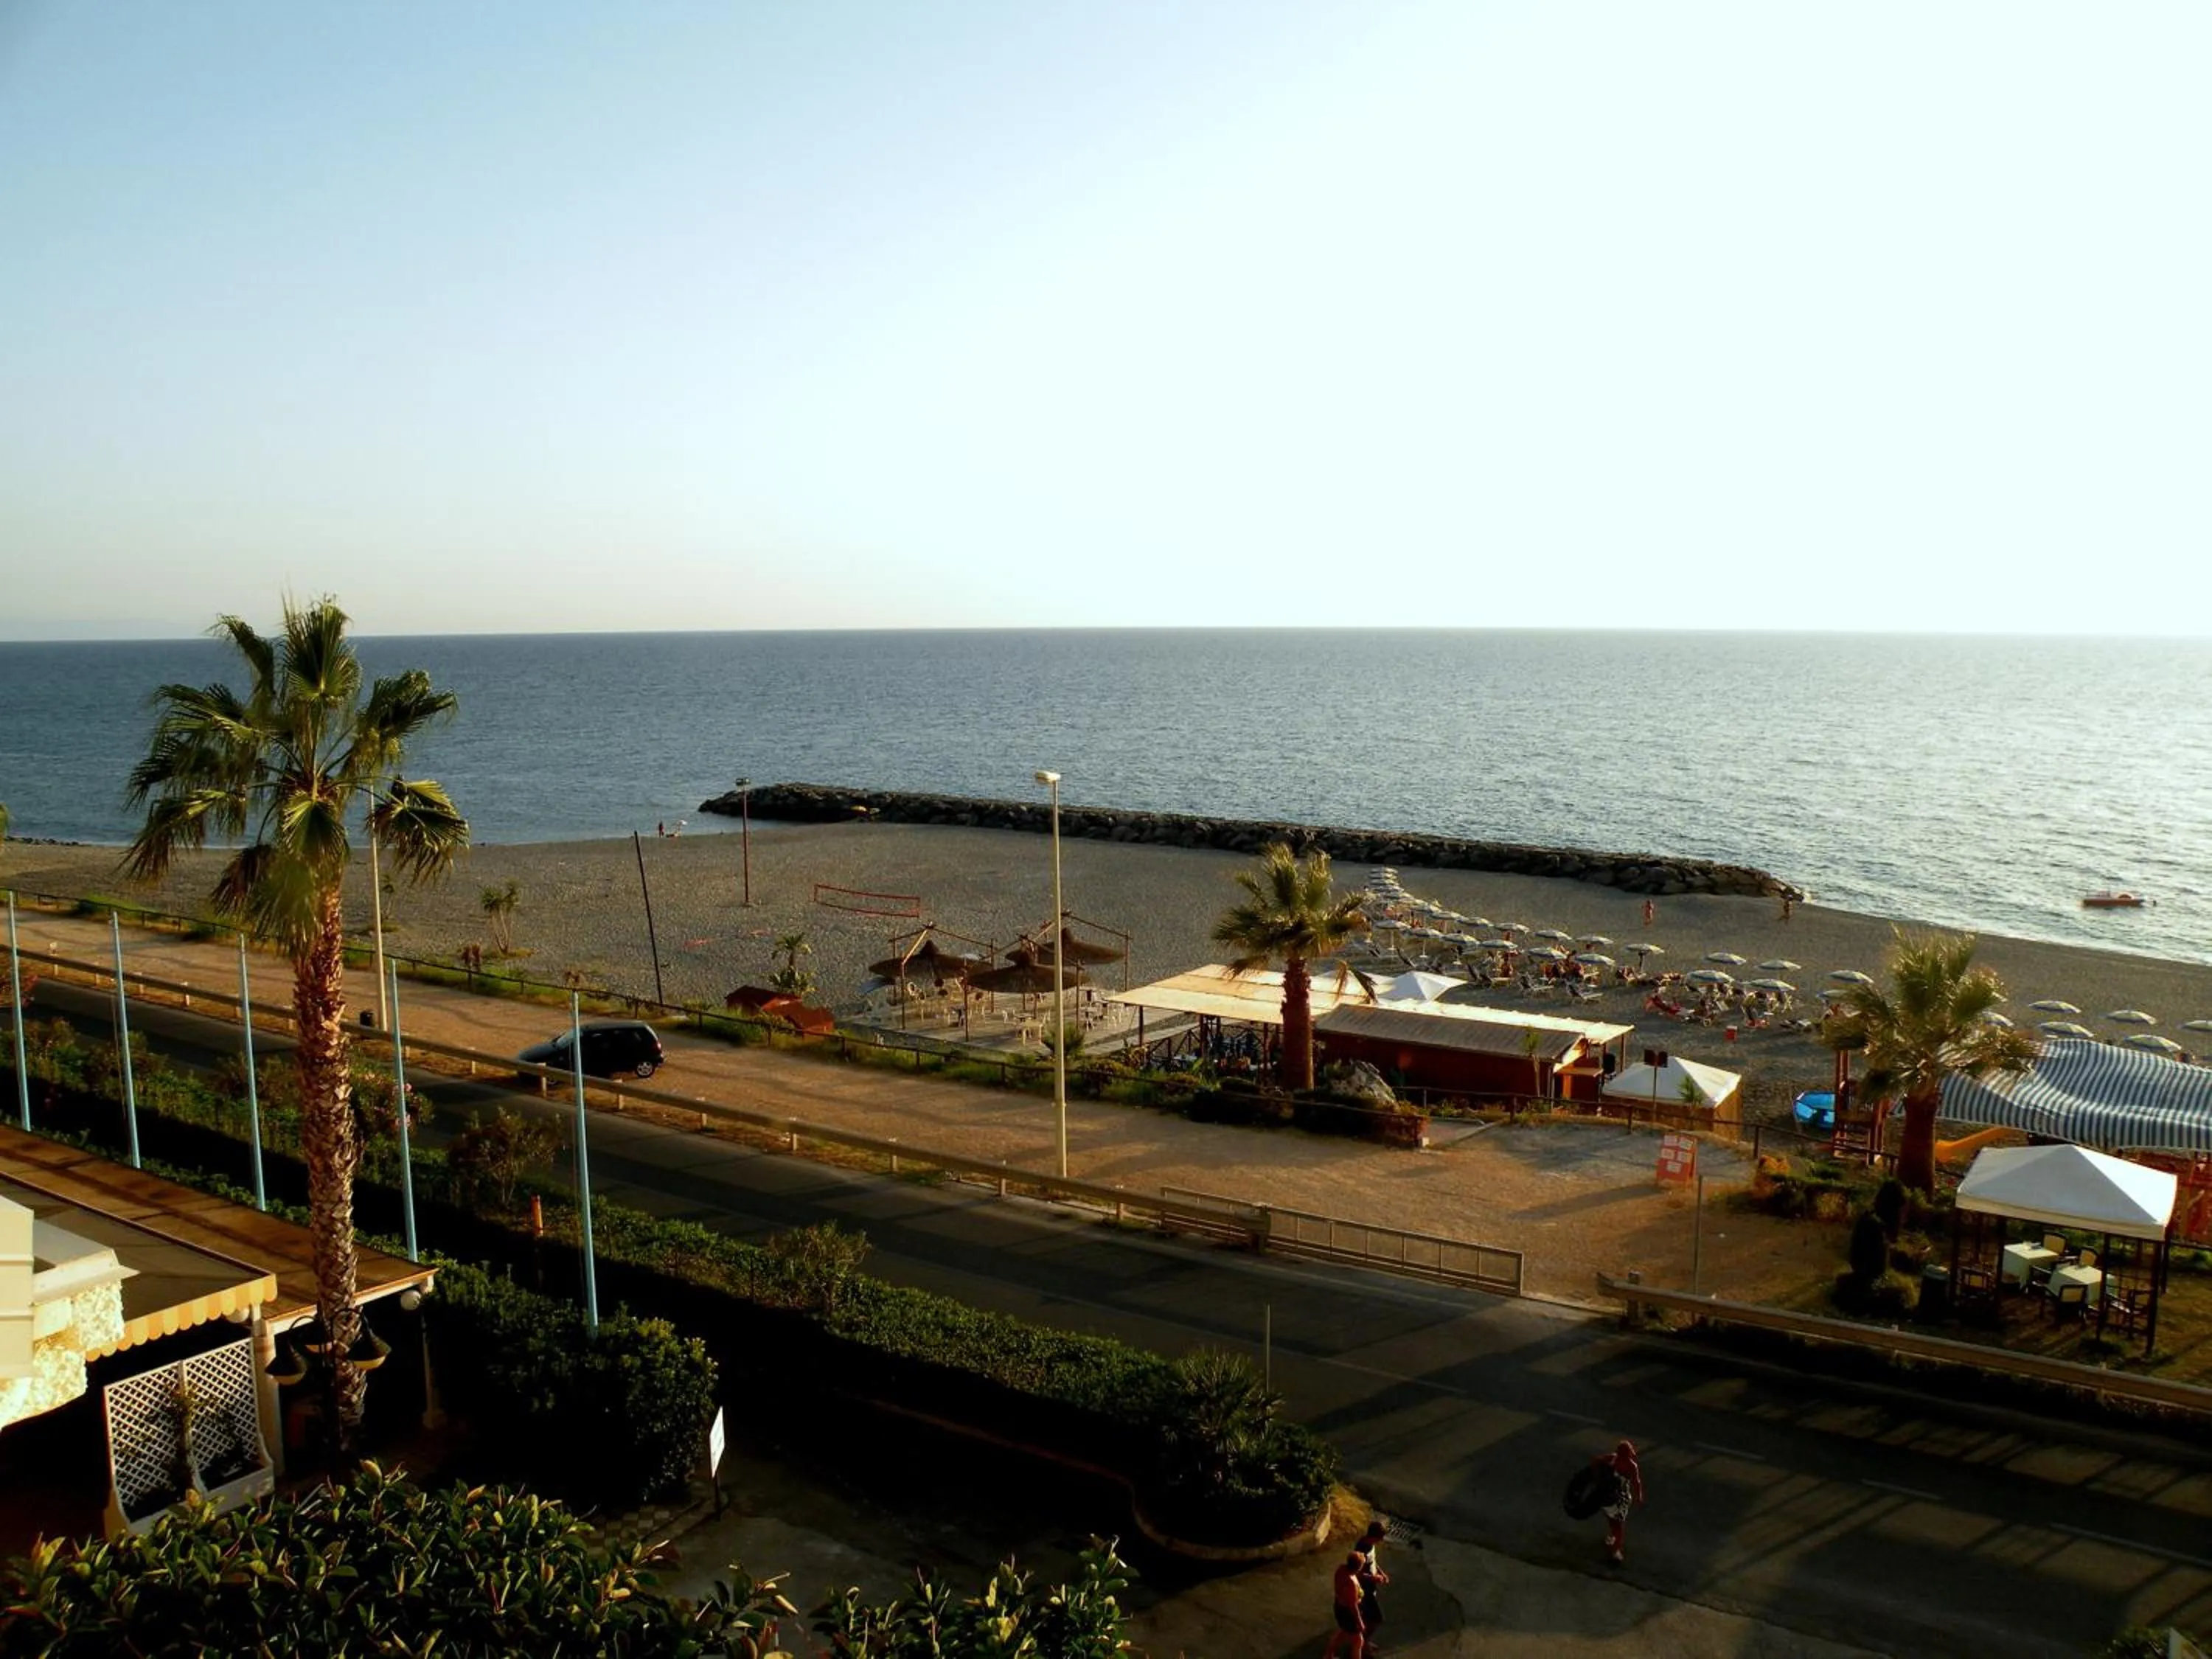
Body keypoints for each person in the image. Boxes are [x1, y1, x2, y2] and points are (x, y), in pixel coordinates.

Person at [1594, 1439, 1644, 1564]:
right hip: (1620, 1499)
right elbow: (1636, 1482)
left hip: (1607, 1498)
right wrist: (1639, 1496)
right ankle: (1616, 1550)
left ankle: (1612, 1538)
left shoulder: (1612, 1458)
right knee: (1619, 1526)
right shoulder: (1632, 1466)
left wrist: (1598, 1477)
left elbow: (1596, 1461)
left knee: (1612, 1521)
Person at [1322, 1550, 1370, 1658]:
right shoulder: (1351, 1583)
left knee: (1342, 1633)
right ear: (1359, 1567)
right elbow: (1353, 1605)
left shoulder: (1341, 1569)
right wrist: (1360, 1622)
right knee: (1358, 1641)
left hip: (1339, 1607)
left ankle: (1328, 1655)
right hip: (1348, 1613)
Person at [1355, 1521, 1391, 1641]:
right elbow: (1358, 1574)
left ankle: (1361, 1640)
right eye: (1379, 1538)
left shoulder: (1371, 1545)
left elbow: (1372, 1562)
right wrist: (1374, 1578)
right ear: (1373, 1537)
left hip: (1371, 1587)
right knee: (1376, 1619)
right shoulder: (1362, 1550)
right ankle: (1363, 1642)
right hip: (1365, 1590)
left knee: (1366, 1616)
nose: (1381, 1541)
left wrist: (1381, 1573)